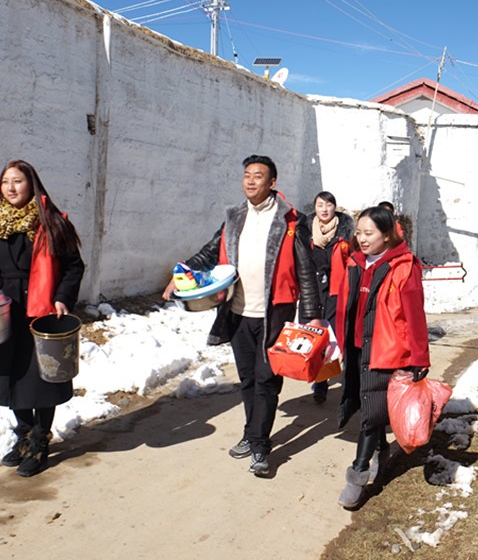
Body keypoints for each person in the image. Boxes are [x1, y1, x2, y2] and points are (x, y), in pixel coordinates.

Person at [162, 155, 322, 477]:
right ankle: (251, 433)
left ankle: (261, 446)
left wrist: (312, 315)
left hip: (273, 314)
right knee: (248, 378)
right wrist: (182, 272)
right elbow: (210, 251)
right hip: (237, 312)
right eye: (247, 175)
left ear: (272, 183)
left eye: (258, 176)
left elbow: (306, 270)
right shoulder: (234, 217)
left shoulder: (291, 221)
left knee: (267, 379)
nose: (250, 180)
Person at [0, 159, 85, 477]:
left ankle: (40, 440)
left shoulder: (51, 222)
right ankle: (24, 433)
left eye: (18, 181)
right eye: (5, 182)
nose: (10, 188)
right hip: (5, 311)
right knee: (12, 376)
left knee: (41, 379)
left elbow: (74, 266)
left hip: (40, 310)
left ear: (31, 184)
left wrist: (63, 298)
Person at [334, 205, 430, 508]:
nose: (362, 239)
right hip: (356, 348)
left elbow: (415, 315)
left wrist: (419, 357)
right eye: (359, 233)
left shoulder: (404, 266)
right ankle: (382, 449)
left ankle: (357, 475)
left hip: (386, 351)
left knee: (370, 413)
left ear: (387, 235)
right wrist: (337, 340)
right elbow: (342, 304)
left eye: (369, 233)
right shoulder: (355, 262)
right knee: (370, 407)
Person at [306, 191, 354, 403]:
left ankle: (347, 380)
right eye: (320, 205)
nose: (324, 209)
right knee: (316, 337)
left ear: (335, 207)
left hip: (337, 290)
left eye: (328, 205)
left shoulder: (345, 233)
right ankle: (320, 382)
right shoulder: (306, 232)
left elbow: (353, 260)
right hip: (313, 291)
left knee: (336, 336)